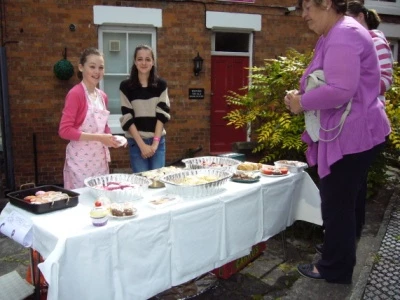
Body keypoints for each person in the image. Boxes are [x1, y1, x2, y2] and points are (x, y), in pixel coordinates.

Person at [284, 0, 391, 284]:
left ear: (327, 4)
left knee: (336, 204)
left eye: (308, 7)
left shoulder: (342, 35)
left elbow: (341, 90)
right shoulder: (338, 32)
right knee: (346, 202)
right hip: (358, 133)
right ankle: (340, 254)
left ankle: (334, 268)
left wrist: (301, 102)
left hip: (353, 136)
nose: (304, 15)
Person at [347, 0, 394, 239]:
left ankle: (348, 239)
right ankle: (348, 239)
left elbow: (386, 79)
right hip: (355, 123)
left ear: (361, 17)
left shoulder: (375, 40)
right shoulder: (353, 42)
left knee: (352, 186)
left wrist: (355, 89)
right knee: (354, 186)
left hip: (368, 123)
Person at [59, 47, 122, 190]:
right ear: (81, 67)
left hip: (99, 160)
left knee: (100, 199)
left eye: (101, 67)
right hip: (80, 162)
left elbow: (103, 126)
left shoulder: (102, 96)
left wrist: (111, 139)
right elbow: (64, 131)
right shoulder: (75, 94)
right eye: (92, 66)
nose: (97, 71)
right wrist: (100, 138)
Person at [120, 45, 171, 173]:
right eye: (140, 59)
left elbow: (162, 116)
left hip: (157, 142)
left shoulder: (161, 85)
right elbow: (127, 118)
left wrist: (154, 145)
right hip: (136, 142)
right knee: (142, 183)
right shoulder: (126, 86)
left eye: (148, 59)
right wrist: (142, 145)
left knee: (158, 183)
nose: (144, 63)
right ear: (135, 61)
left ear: (153, 62)